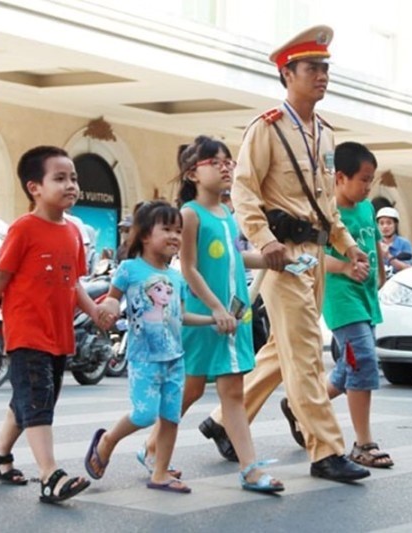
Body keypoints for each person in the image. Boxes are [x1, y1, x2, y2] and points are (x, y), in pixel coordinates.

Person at [198, 25, 371, 483]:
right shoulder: (267, 129)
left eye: (325, 68)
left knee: (283, 350)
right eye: (312, 68)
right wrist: (263, 239)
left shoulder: (325, 135)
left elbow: (327, 206)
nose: (322, 76)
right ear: (287, 73)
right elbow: (245, 189)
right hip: (283, 255)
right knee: (308, 354)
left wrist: (349, 247)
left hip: (314, 253)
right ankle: (326, 451)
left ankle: (220, 421)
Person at [138, 136, 282, 492]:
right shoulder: (189, 214)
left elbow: (234, 259)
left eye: (228, 161)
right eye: (214, 161)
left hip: (232, 317)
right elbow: (188, 268)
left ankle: (249, 468)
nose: (225, 166)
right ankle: (149, 446)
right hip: (205, 318)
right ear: (192, 173)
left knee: (232, 391)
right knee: (190, 389)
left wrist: (276, 260)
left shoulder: (228, 214)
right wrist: (216, 308)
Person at [0, 146, 111, 504]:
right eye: (60, 178)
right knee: (38, 401)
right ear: (35, 187)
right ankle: (50, 475)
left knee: (32, 398)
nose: (71, 185)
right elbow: (0, 278)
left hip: (59, 332)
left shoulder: (72, 232)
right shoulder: (24, 229)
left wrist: (94, 312)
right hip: (27, 331)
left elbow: (74, 283)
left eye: (74, 178)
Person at [84, 201, 215, 494]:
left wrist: (212, 319)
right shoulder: (130, 269)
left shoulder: (178, 278)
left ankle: (160, 473)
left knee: (171, 416)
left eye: (178, 231)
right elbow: (113, 298)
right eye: (167, 229)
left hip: (174, 358)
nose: (175, 236)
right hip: (144, 357)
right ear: (144, 236)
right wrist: (108, 307)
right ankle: (108, 441)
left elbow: (180, 317)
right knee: (144, 414)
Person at [282, 141, 394, 468]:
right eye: (364, 179)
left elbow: (373, 243)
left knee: (348, 369)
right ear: (341, 177)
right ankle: (363, 444)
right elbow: (310, 257)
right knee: (362, 360)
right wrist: (344, 267)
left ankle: (298, 405)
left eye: (371, 180)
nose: (368, 186)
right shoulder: (325, 212)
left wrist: (381, 277)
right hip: (339, 296)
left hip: (365, 296)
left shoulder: (367, 208)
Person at [376, 206, 412, 274]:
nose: (385, 226)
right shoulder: (375, 244)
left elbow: (409, 269)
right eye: (381, 223)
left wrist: (388, 256)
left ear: (395, 225)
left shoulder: (404, 243)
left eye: (389, 223)